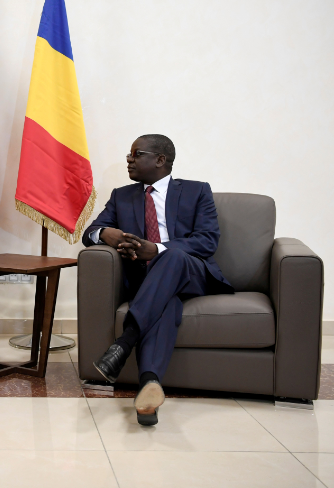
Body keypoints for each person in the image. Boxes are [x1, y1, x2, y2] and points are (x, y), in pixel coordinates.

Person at [82, 134, 233, 426]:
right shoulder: (121, 196)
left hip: (191, 273)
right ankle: (148, 388)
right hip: (149, 282)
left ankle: (125, 343)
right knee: (167, 303)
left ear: (160, 160)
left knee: (173, 256)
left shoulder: (196, 191)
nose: (129, 159)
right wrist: (105, 234)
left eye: (136, 154)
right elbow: (91, 231)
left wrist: (158, 250)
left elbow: (207, 240)